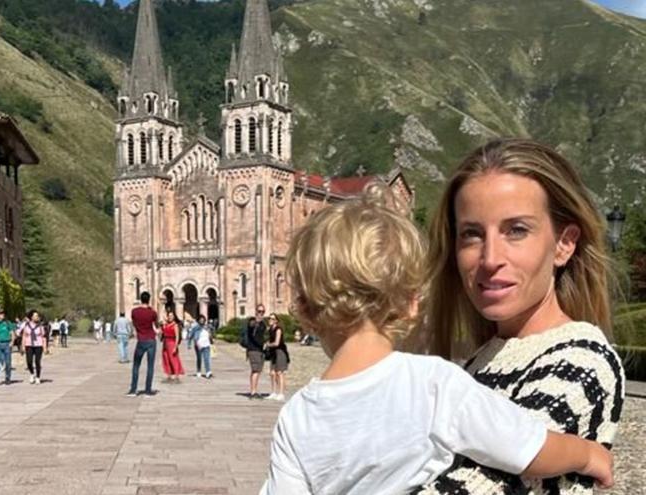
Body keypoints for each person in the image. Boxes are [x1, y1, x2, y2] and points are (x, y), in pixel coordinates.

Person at [260, 184, 615, 495]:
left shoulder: (296, 415)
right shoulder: (434, 383)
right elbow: (527, 448)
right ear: (411, 302)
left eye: (516, 230)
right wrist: (587, 455)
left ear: (304, 311)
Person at [411, 138, 625, 493]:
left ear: (564, 244)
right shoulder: (482, 359)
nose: (490, 257)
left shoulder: (580, 363)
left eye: (516, 231)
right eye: (472, 234)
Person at [127, 292, 160, 396]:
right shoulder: (153, 313)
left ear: (140, 299)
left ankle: (133, 389)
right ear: (149, 299)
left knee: (136, 365)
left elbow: (134, 322)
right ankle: (148, 390)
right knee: (150, 366)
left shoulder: (134, 311)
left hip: (141, 340)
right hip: (151, 340)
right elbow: (156, 326)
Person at [17, 310, 47, 384]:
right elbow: (24, 336)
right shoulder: (26, 326)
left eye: (37, 316)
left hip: (38, 345)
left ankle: (38, 377)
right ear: (31, 317)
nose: (37, 317)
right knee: (29, 361)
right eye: (35, 316)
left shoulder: (40, 326)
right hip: (29, 345)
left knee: (37, 361)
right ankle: (32, 373)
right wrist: (23, 346)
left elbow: (44, 337)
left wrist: (45, 347)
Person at [264, 313, 288, 401]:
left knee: (279, 373)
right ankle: (273, 392)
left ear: (276, 321)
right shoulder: (270, 329)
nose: (270, 320)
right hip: (273, 352)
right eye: (269, 318)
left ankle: (281, 393)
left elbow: (277, 343)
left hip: (280, 352)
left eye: (272, 319)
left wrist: (268, 344)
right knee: (272, 373)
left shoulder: (278, 329)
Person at [245, 307, 267, 399]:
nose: (261, 313)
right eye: (259, 311)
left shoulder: (263, 324)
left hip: (260, 350)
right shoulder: (252, 321)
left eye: (262, 312)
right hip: (253, 350)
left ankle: (254, 390)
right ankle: (253, 392)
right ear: (256, 312)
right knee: (255, 370)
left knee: (258, 370)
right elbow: (251, 326)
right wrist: (256, 321)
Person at [0, 309, 15, 386]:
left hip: (7, 344)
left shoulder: (8, 323)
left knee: (7, 362)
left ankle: (7, 378)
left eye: (2, 314)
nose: (1, 315)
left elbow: (12, 333)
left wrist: (12, 342)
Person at [161, 310, 185, 382]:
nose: (170, 317)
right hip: (165, 343)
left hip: (172, 343)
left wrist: (175, 346)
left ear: (174, 317)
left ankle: (177, 375)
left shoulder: (175, 325)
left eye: (171, 316)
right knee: (166, 359)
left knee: (173, 359)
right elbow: (160, 332)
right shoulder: (166, 324)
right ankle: (169, 375)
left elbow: (177, 336)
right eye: (169, 316)